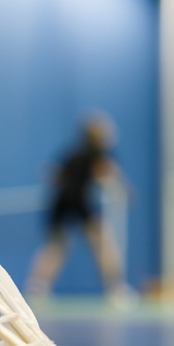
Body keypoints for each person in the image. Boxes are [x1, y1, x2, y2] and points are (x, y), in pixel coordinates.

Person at [26, 113, 131, 305]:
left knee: (55, 247)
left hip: (60, 203)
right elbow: (107, 174)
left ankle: (36, 288)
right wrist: (123, 191)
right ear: (98, 133)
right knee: (103, 245)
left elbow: (54, 174)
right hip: (79, 202)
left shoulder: (72, 153)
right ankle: (116, 288)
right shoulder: (98, 153)